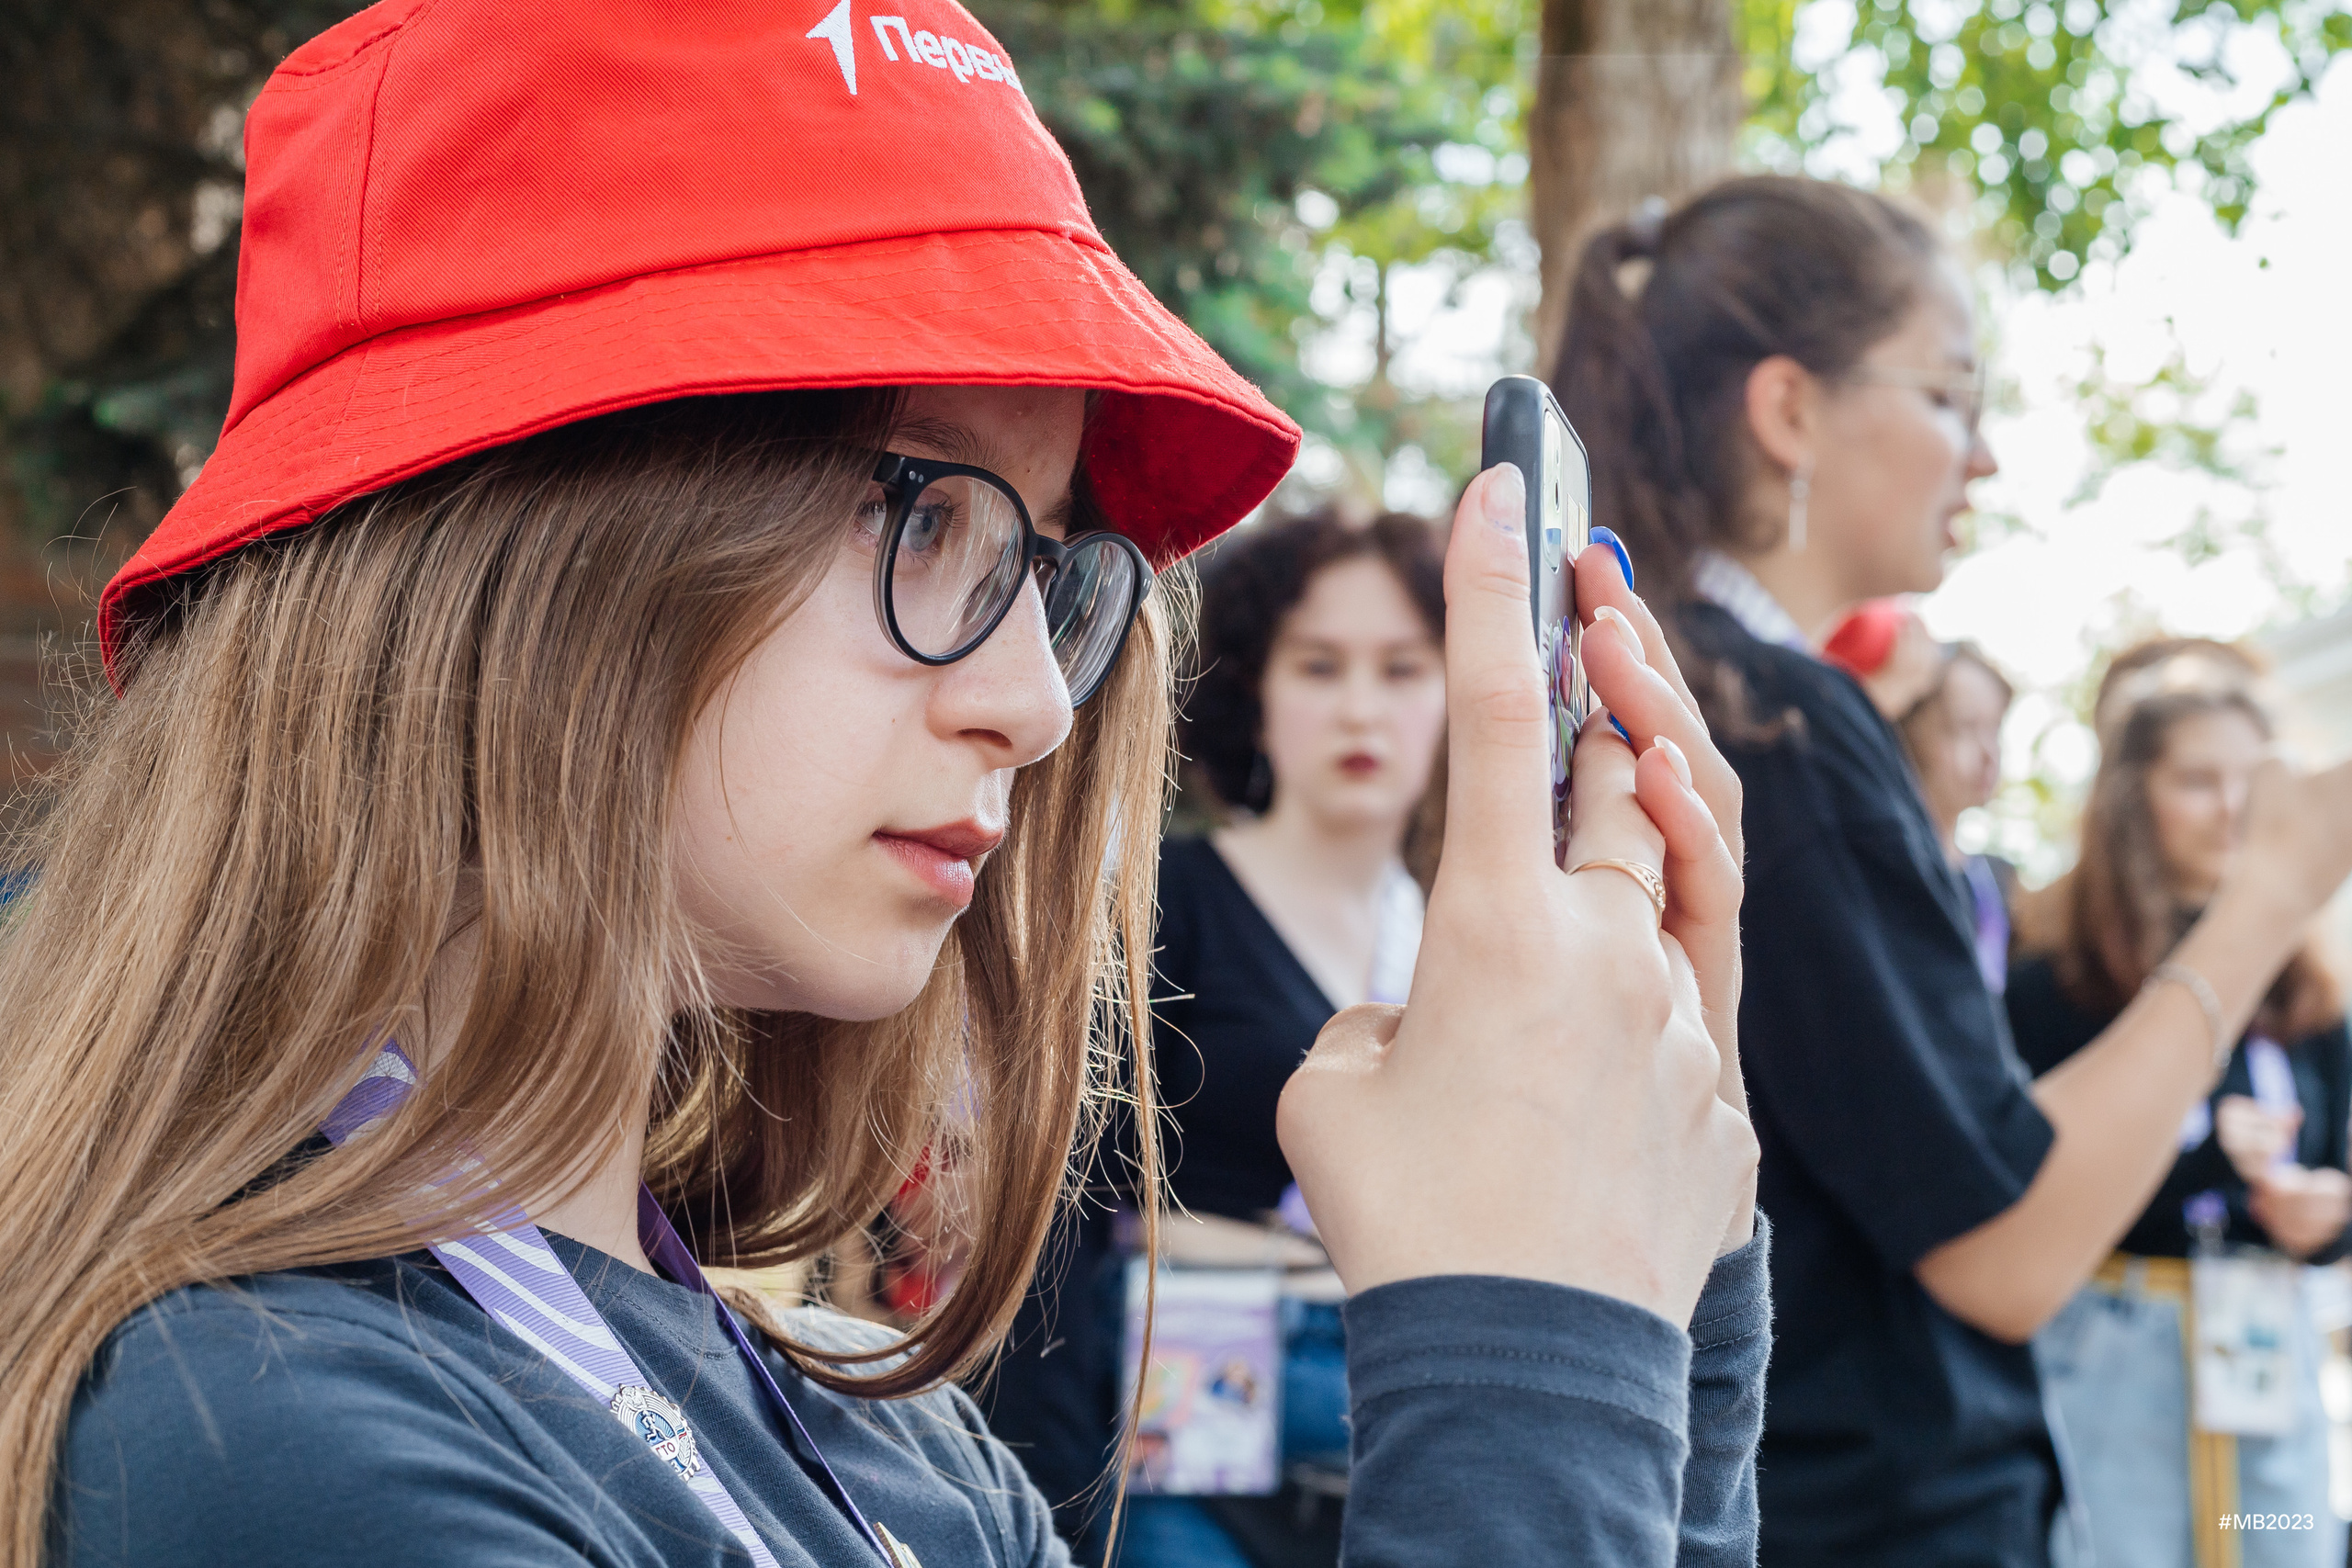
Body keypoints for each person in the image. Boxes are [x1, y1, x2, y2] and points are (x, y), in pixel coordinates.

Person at [4, 5, 1770, 1567]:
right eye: (925, 519)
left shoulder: (894, 1456)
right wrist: (1530, 1354)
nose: (1033, 705)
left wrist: (1640, 1276)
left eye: (1064, 579)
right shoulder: (254, 1450)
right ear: (505, 556)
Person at [1550, 173, 2352, 1566]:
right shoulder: (1768, 727)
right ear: (1791, 408)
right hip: (1868, 1509)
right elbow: (2004, 1249)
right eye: (1948, 395)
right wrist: (2271, 891)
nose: (1980, 456)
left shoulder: (1666, 689)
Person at [981, 511, 1447, 1565]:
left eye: (1404, 668)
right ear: (1258, 690)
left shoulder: (1456, 940)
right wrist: (1045, 1485)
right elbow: (1054, 1202)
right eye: (1319, 666)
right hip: (1182, 1407)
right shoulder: (1161, 902)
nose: (1361, 708)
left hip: (1392, 1409)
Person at [2009, 671, 2350, 1568]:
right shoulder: (2057, 980)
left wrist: (2325, 1214)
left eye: (2252, 784)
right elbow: (2028, 1180)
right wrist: (2202, 1168)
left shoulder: (2307, 991)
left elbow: (2335, 1164)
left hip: (2267, 1345)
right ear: (2131, 803)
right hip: (2118, 1344)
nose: (2231, 808)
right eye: (2197, 781)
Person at [1897, 643, 2019, 993]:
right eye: (1963, 728)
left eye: (1994, 729)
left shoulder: (1992, 879)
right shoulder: (1894, 870)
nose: (1988, 753)